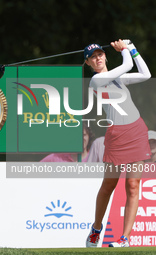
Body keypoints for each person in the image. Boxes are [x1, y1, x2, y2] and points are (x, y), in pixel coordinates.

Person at [84, 39, 151, 248]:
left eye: (100, 54)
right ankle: (96, 229)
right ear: (88, 63)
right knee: (109, 185)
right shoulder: (96, 81)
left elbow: (146, 74)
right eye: (93, 57)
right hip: (116, 135)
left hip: (136, 132)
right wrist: (124, 49)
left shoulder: (119, 78)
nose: (98, 58)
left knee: (133, 185)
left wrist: (132, 49)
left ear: (105, 56)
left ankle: (124, 238)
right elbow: (127, 65)